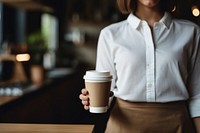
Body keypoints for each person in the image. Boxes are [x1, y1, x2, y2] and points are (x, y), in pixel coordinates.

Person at [79, 0, 200, 132]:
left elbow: (197, 95)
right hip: (123, 126)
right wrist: (93, 98)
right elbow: (107, 92)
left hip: (177, 125)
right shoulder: (110, 35)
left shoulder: (191, 32)